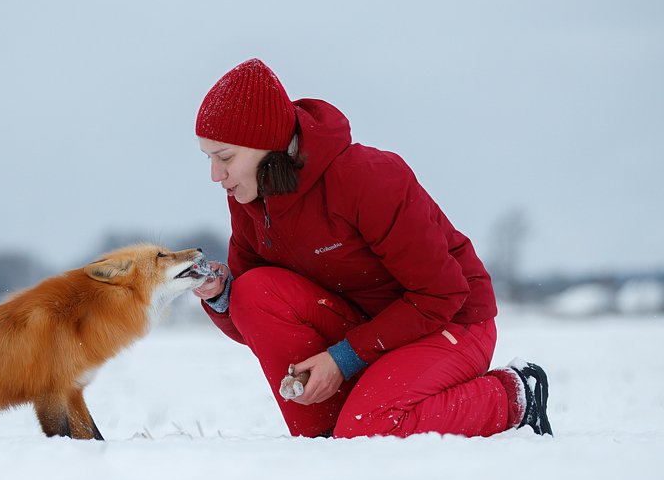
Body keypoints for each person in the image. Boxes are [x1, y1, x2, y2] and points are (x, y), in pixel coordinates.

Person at [193, 58, 552, 439]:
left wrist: (343, 358)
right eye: (208, 158)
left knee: (370, 429)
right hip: (366, 331)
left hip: (450, 320)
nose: (216, 175)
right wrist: (222, 297)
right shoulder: (251, 201)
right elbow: (259, 317)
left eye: (225, 157)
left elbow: (441, 294)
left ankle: (513, 396)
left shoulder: (365, 177)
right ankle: (329, 433)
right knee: (252, 290)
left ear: (267, 143)